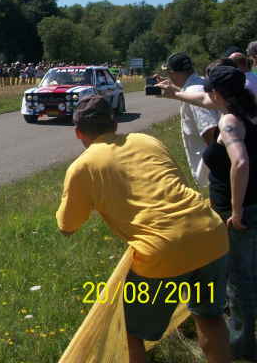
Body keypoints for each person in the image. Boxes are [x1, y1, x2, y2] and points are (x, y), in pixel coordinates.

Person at [57, 95, 231, 363]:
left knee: (129, 332)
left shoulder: (83, 166)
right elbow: (177, 184)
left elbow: (67, 227)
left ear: (78, 132)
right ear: (114, 124)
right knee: (210, 316)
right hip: (210, 232)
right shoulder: (147, 140)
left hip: (162, 252)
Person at [161, 64, 257, 359]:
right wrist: (176, 94)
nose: (206, 96)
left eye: (209, 91)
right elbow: (203, 101)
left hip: (238, 213)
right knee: (249, 272)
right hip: (252, 206)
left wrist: (236, 211)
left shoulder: (229, 122)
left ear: (218, 93)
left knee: (239, 280)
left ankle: (242, 346)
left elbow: (240, 163)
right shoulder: (246, 108)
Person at [155, 52, 220, 188]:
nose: (168, 77)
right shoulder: (199, 83)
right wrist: (175, 90)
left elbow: (211, 132)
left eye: (168, 73)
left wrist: (218, 174)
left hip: (214, 173)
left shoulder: (192, 92)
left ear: (173, 73)